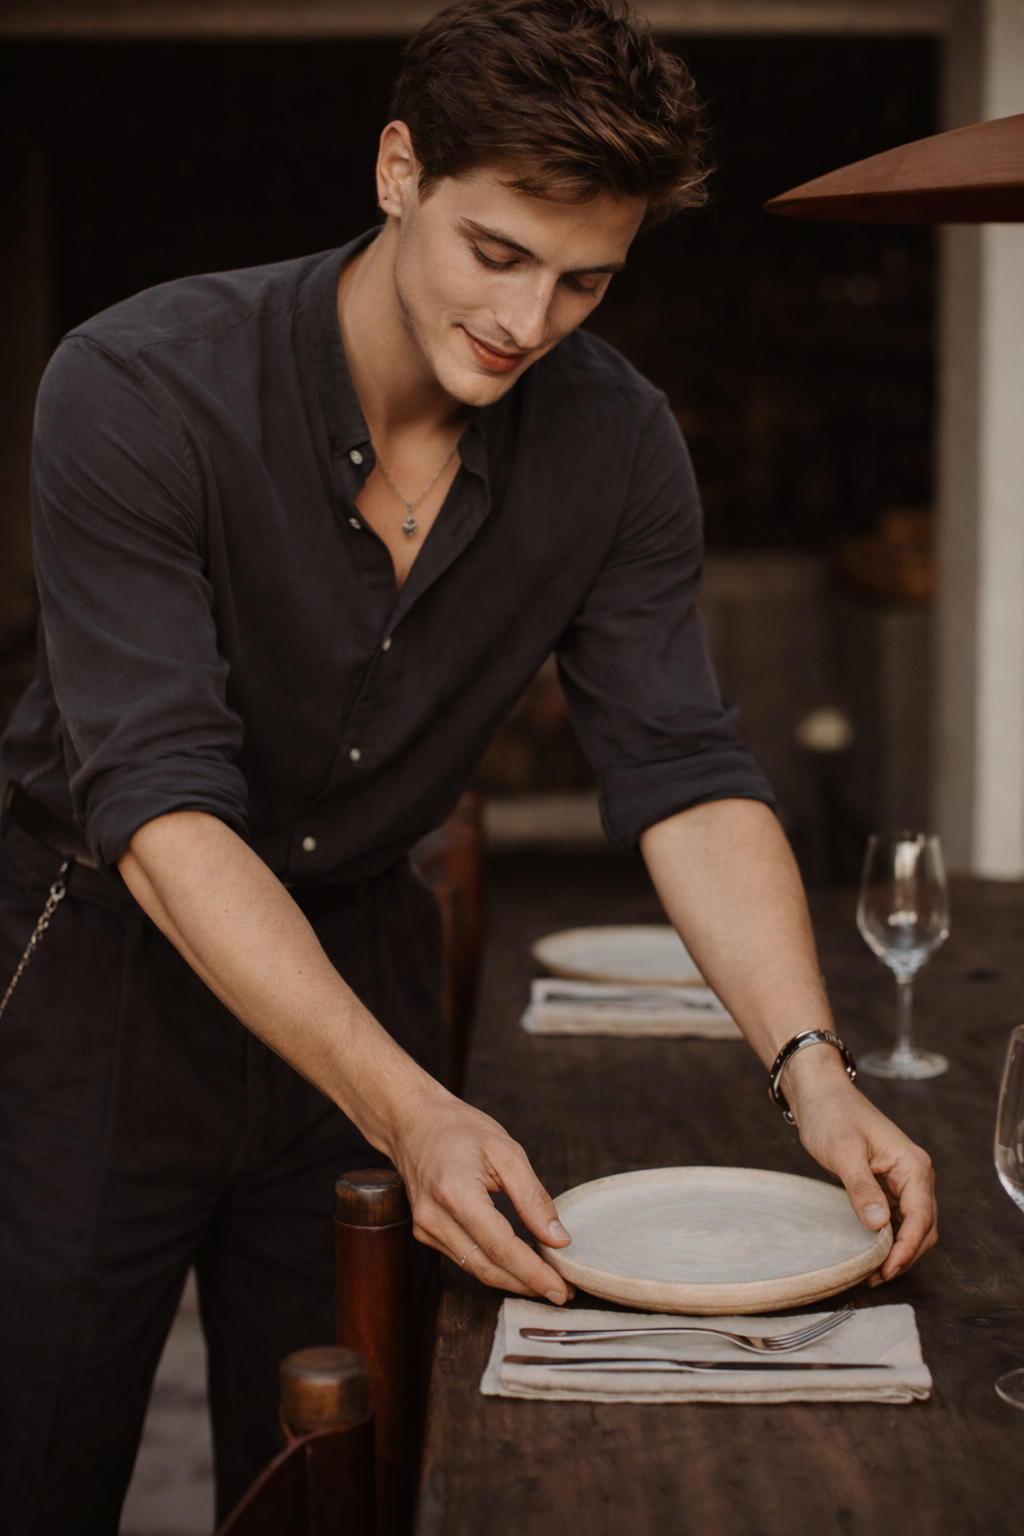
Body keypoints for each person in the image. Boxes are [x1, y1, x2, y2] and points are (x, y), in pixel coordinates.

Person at [0, 1, 936, 1529]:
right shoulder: (138, 383)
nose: (530, 319)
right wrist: (411, 1106)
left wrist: (812, 1078)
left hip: (366, 942)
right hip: (96, 979)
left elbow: (684, 768)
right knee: (35, 1447)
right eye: (496, 253)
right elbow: (159, 803)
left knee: (339, 1468)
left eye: (586, 280)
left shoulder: (621, 445)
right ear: (396, 169)